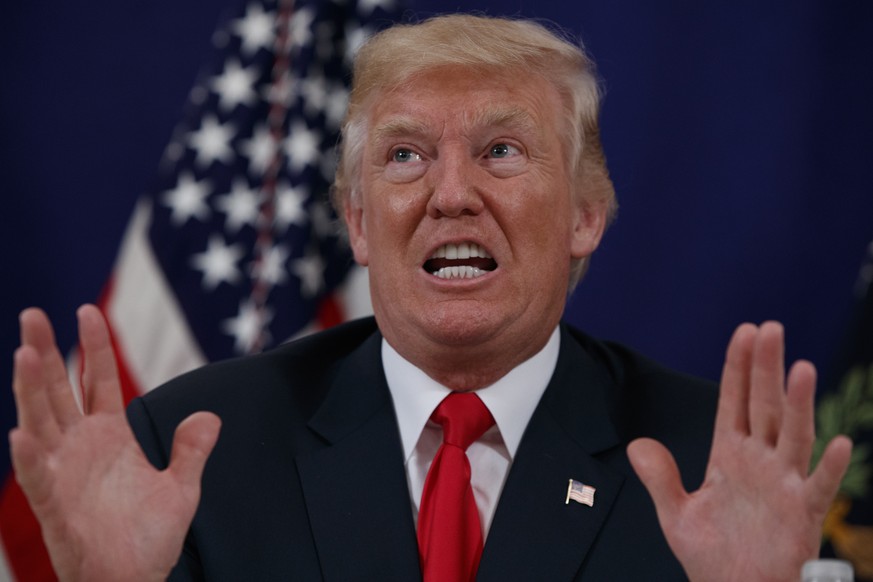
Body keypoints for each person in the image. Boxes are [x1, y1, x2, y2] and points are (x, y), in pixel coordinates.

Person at [10, 14, 853, 581]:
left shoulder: (710, 459)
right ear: (358, 222)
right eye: (406, 156)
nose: (451, 195)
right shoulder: (197, 448)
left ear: (587, 214)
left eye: (501, 150)